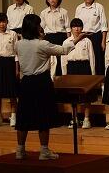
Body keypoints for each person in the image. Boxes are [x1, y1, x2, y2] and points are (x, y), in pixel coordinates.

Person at [15, 14, 82, 160]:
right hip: (41, 82)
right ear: (35, 27)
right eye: (39, 25)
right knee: (43, 116)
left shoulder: (19, 44)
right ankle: (44, 151)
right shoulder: (42, 44)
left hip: (26, 82)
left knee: (23, 117)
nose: (41, 27)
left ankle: (20, 150)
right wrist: (78, 38)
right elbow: (64, 50)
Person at [61, 18, 95, 129]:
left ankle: (86, 119)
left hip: (84, 67)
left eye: (79, 27)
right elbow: (63, 59)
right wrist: (64, 74)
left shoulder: (87, 41)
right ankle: (74, 118)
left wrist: (93, 74)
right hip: (72, 67)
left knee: (86, 96)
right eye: (74, 27)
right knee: (73, 96)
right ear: (71, 29)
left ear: (82, 28)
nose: (76, 29)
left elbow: (92, 58)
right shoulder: (67, 42)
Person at [0, 12, 19, 127]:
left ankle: (13, 116)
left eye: (4, 22)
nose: (2, 24)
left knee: (12, 92)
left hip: (9, 63)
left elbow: (16, 53)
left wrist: (17, 68)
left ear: (7, 22)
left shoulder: (13, 34)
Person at [75, 0, 108, 78]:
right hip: (82, 37)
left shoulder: (99, 7)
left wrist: (103, 41)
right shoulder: (79, 8)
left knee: (97, 60)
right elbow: (76, 24)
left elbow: (104, 26)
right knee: (85, 59)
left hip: (95, 37)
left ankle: (99, 83)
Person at [39, 0, 70, 76]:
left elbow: (68, 28)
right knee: (51, 60)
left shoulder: (64, 12)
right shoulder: (44, 13)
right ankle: (51, 78)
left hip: (61, 37)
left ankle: (61, 78)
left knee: (61, 60)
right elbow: (41, 28)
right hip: (49, 38)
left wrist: (68, 41)